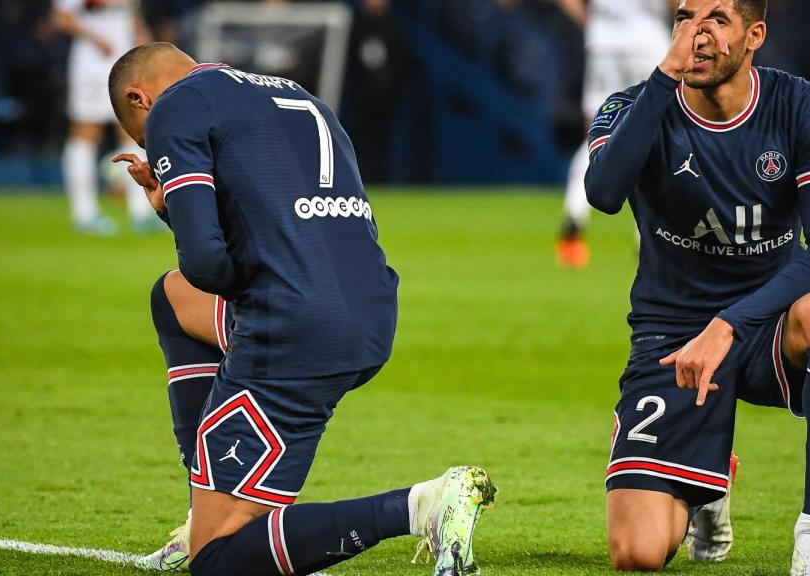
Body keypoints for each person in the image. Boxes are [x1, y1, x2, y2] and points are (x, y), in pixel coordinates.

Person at [108, 43, 496, 576]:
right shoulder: (299, 95)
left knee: (217, 561)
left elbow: (205, 260)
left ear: (140, 97)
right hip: (370, 312)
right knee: (172, 298)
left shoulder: (176, 104)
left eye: (144, 136)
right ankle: (207, 501)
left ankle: (418, 506)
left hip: (293, 328)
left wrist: (175, 206)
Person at [585, 2, 810, 575]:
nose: (697, 33)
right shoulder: (631, 105)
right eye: (686, 17)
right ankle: (708, 484)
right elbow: (603, 193)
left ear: (754, 35)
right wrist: (663, 79)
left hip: (764, 327)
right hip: (671, 335)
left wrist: (730, 323)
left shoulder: (799, 104)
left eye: (717, 19)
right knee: (637, 555)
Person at [555, 0, 674, 268]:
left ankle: (573, 221)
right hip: (648, 42)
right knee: (658, 135)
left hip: (603, 44)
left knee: (595, 134)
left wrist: (593, 22)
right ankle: (648, 238)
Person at [52, 0, 159, 234]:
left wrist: (142, 37)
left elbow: (129, 13)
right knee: (86, 133)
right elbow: (61, 17)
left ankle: (141, 211)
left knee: (134, 132)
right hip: (93, 64)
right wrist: (95, 38)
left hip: (126, 62)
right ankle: (85, 213)